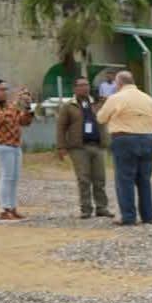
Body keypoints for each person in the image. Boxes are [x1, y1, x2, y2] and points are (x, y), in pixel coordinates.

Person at [96, 70, 152, 226]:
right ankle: (148, 216)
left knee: (125, 179)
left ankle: (128, 216)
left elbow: (101, 118)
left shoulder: (116, 98)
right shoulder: (147, 98)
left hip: (124, 138)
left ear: (119, 83)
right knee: (144, 179)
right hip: (147, 137)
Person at [55, 75, 112, 218]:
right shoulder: (69, 106)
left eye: (86, 85)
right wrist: (61, 147)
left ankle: (102, 207)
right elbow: (61, 127)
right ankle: (86, 209)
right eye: (80, 85)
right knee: (84, 179)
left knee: (100, 179)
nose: (84, 87)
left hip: (97, 146)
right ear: (75, 88)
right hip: (78, 147)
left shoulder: (97, 103)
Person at [0, 78, 34, 221]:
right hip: (2, 145)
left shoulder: (10, 105)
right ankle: (4, 209)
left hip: (15, 145)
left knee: (14, 178)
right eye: (1, 89)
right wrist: (16, 102)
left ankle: (12, 207)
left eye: (6, 89)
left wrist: (29, 107)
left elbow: (24, 122)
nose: (5, 92)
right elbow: (2, 118)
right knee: (6, 177)